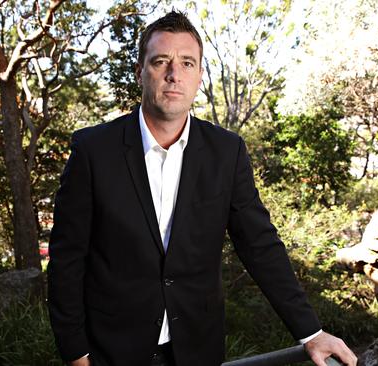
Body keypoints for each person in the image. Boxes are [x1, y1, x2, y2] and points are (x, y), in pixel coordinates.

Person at [47, 10, 357, 366]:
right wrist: (76, 354)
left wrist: (311, 333)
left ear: (199, 77)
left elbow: (259, 245)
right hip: (110, 352)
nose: (174, 74)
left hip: (196, 350)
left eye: (187, 63)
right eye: (160, 61)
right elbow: (67, 260)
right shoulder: (93, 151)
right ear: (140, 73)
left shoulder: (226, 152)